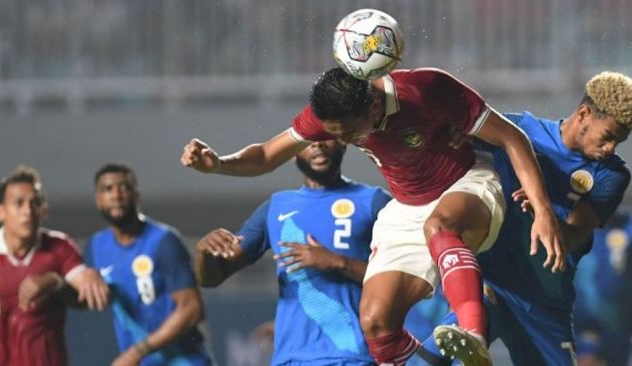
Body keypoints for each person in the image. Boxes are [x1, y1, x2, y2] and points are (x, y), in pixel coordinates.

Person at [181, 66, 565, 365]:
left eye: (347, 132)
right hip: (406, 207)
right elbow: (265, 156)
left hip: (466, 182)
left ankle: (473, 339)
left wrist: (543, 210)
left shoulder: (427, 89)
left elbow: (512, 137)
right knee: (376, 319)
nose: (344, 141)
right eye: (333, 132)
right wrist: (217, 164)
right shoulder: (328, 114)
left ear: (373, 106)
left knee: (440, 226)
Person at [411, 71, 632, 365]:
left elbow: (571, 236)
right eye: (608, 137)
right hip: (493, 284)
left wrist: (544, 210)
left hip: (546, 302)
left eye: (619, 141)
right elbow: (455, 133)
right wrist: (453, 135)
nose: (610, 149)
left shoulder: (612, 175)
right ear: (583, 114)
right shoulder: (518, 131)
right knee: (428, 360)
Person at [195, 139, 392, 364]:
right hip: (290, 358)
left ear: (343, 143)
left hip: (352, 356)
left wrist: (339, 263)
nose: (318, 145)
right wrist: (204, 253)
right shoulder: (277, 206)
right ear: (291, 153)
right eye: (309, 140)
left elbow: (401, 277)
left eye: (325, 137)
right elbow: (212, 278)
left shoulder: (373, 201)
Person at [84, 163, 213, 365]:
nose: (116, 195)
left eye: (124, 187)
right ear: (98, 199)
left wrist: (138, 351)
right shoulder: (96, 246)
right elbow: (82, 298)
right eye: (107, 189)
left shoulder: (163, 241)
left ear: (137, 194)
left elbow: (192, 309)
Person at [0, 165, 109, 366]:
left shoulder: (59, 247)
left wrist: (59, 283)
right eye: (18, 203)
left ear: (44, 210)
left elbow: (83, 294)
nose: (27, 211)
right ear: (0, 212)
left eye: (35, 203)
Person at [574, 212, 632, 366]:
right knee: (584, 356)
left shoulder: (627, 227)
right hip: (580, 316)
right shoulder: (572, 225)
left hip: (617, 319)